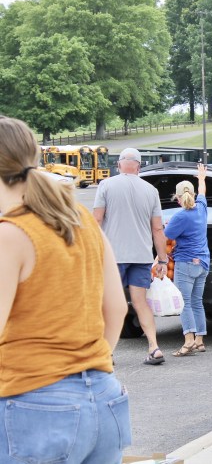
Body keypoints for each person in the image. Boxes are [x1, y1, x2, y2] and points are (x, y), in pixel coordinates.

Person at [0, 116, 131, 462]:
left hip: (34, 404)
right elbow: (116, 308)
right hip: (105, 398)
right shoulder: (81, 218)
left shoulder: (10, 235)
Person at [93, 147, 170, 365]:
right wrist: (162, 259)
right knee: (140, 303)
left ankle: (107, 353)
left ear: (119, 165)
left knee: (110, 304)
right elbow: (158, 229)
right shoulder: (151, 191)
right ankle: (154, 347)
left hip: (113, 257)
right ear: (139, 166)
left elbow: (96, 220)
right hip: (142, 256)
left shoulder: (106, 185)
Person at [164, 164, 210, 357]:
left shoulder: (179, 216)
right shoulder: (201, 208)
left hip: (185, 263)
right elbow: (202, 192)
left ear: (177, 198)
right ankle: (199, 340)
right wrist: (201, 177)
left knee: (184, 303)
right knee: (197, 302)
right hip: (203, 263)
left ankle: (188, 341)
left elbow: (167, 237)